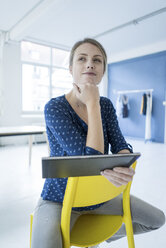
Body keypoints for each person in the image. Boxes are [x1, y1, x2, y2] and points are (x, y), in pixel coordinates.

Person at [31, 38, 165, 248]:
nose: (90, 64)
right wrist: (92, 103)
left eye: (97, 60)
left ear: (102, 70)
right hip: (58, 199)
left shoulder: (107, 105)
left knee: (157, 220)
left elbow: (121, 145)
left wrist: (124, 164)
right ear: (71, 69)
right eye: (82, 59)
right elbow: (86, 161)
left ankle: (106, 234)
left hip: (99, 198)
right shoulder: (55, 108)